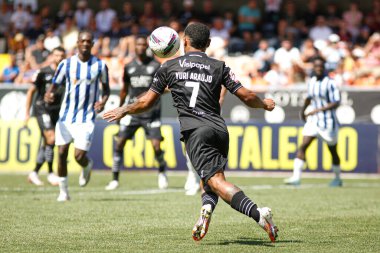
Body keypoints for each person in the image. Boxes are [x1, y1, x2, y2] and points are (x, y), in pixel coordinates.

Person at [103, 23, 278, 242]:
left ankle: (258, 215)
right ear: (209, 44)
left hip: (196, 131)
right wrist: (264, 104)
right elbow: (246, 96)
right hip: (219, 129)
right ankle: (205, 210)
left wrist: (124, 109)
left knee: (215, 182)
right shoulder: (219, 66)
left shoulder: (169, 67)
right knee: (211, 179)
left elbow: (147, 102)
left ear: (184, 41)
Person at [45, 30, 110, 201]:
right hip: (66, 117)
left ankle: (87, 165)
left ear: (92, 44)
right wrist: (49, 94)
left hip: (86, 118)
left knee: (78, 156)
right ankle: (63, 192)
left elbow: (107, 89)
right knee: (61, 152)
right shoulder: (66, 64)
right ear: (77, 43)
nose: (86, 44)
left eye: (89, 41)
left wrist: (103, 101)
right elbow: (55, 84)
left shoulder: (100, 65)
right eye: (83, 41)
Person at [105, 36, 168, 191]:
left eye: (142, 45)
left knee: (156, 146)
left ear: (147, 47)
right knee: (119, 143)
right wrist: (120, 109)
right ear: (134, 47)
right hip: (132, 112)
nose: (140, 47)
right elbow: (125, 90)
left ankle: (162, 172)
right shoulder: (129, 66)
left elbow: (166, 88)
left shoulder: (155, 66)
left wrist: (150, 95)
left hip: (151, 111)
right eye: (137, 44)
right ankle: (114, 179)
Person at [284, 57, 342, 187]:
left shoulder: (330, 82)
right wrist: (303, 111)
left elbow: (336, 102)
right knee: (303, 145)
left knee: (332, 150)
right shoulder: (312, 81)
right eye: (316, 66)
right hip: (314, 121)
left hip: (328, 122)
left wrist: (316, 110)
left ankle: (338, 178)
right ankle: (296, 177)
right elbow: (309, 98)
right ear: (314, 68)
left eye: (321, 66)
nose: (319, 69)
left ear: (324, 67)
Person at [25, 47, 66, 186]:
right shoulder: (43, 72)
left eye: (61, 55)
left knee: (48, 143)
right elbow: (31, 92)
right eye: (56, 55)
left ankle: (34, 173)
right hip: (41, 109)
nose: (59, 58)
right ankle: (50, 174)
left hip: (56, 111)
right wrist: (26, 113)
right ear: (52, 56)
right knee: (51, 138)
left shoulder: (66, 74)